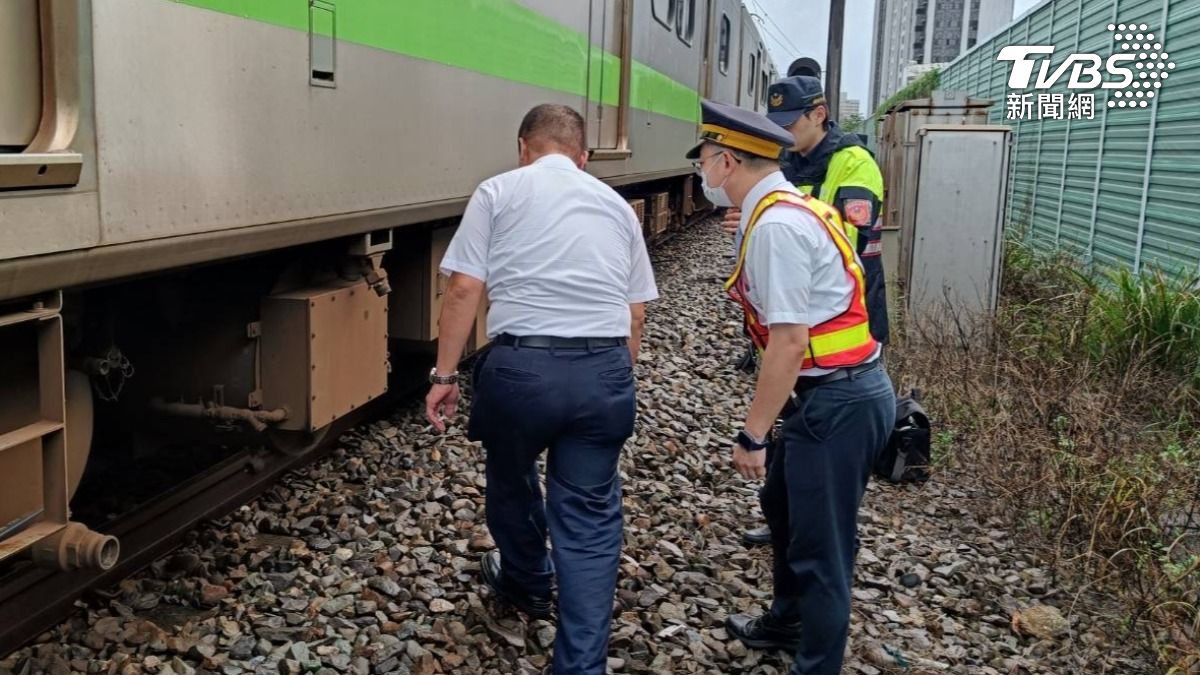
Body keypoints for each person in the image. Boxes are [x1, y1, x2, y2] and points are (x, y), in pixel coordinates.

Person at [424, 103, 658, 675]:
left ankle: (527, 578)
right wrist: (614, 378)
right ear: (583, 158)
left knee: (510, 476)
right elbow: (635, 314)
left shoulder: (498, 191)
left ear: (523, 148)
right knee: (589, 515)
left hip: (521, 370)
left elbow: (463, 290)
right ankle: (580, 665)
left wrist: (445, 376)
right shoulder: (616, 207)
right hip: (603, 368)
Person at [687, 99, 896, 675]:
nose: (700, 173)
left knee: (821, 551)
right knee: (781, 505)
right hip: (832, 395)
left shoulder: (776, 226)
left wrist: (752, 434)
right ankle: (786, 618)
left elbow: (788, 342)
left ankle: (816, 663)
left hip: (840, 399)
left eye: (703, 161)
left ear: (726, 162)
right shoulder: (779, 208)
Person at [738, 75, 891, 548]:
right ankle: (785, 514)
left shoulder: (854, 162)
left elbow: (846, 237)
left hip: (846, 320)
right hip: (801, 319)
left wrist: (778, 223)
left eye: (792, 122)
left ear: (820, 114)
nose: (785, 133)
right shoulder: (790, 159)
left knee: (824, 431)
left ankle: (816, 524)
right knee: (791, 419)